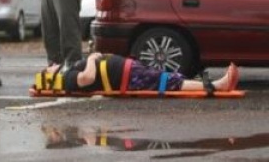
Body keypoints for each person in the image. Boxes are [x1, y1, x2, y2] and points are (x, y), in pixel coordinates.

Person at [31, 53, 239, 95]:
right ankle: (217, 85)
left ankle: (213, 83)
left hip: (127, 71)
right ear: (48, 77)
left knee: (168, 79)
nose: (52, 64)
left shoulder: (66, 73)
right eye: (47, 67)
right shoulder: (65, 79)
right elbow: (87, 79)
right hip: (126, 76)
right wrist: (93, 59)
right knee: (168, 82)